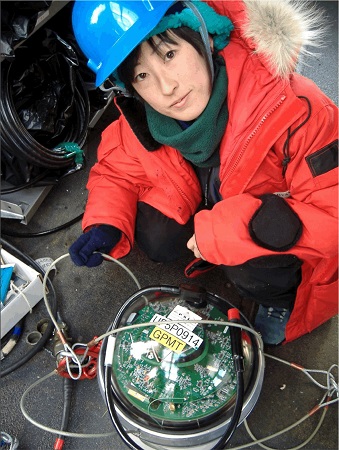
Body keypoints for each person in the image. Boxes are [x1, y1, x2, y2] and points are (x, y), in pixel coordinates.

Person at [70, 0, 338, 346]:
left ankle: (279, 301)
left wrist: (233, 230)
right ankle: (212, 244)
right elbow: (115, 170)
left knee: (254, 262)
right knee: (156, 235)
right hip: (213, 207)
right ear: (129, 89)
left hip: (274, 234)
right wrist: (105, 223)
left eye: (168, 54)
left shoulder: (294, 108)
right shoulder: (147, 119)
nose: (166, 87)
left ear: (205, 37)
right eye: (141, 75)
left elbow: (332, 216)